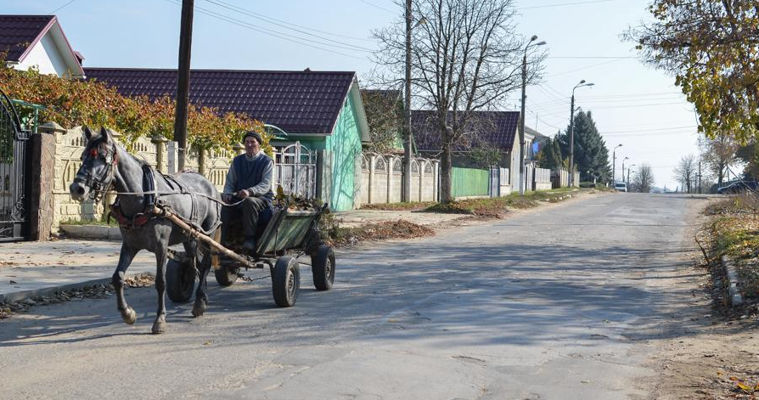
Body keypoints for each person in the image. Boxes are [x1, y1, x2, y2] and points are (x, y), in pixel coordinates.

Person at [221, 130, 273, 252]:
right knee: (219, 200)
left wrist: (250, 191)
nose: (249, 145)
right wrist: (227, 193)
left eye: (252, 142)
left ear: (258, 144)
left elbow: (265, 185)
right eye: (247, 142)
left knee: (249, 202)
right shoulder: (237, 161)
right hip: (239, 196)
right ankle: (222, 237)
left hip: (262, 198)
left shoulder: (267, 161)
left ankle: (250, 239)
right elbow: (230, 181)